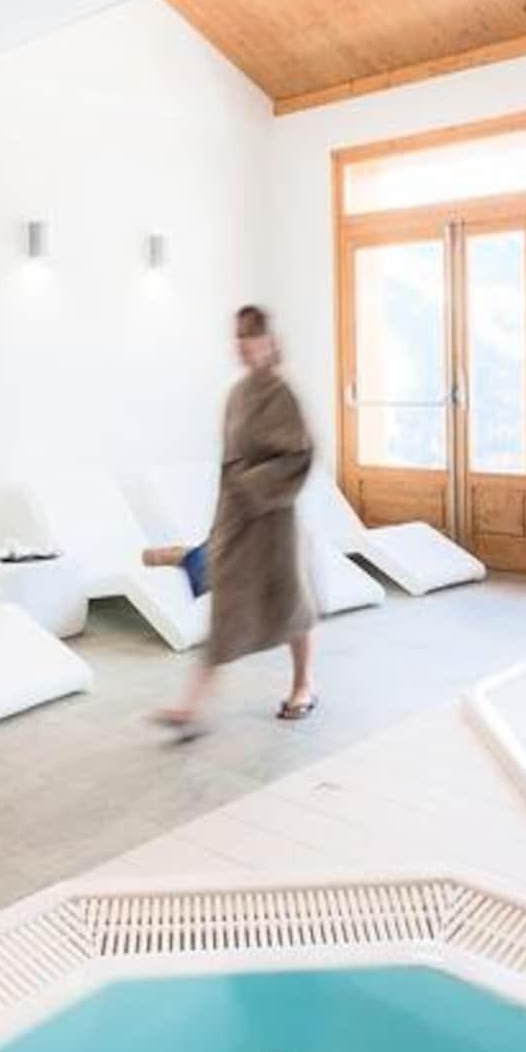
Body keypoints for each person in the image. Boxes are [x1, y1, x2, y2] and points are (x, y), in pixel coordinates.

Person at [156, 305, 318, 737]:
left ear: (270, 342)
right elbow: (228, 465)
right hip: (237, 516)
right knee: (226, 601)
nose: (243, 344)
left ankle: (303, 685)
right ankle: (191, 707)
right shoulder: (236, 395)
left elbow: (300, 455)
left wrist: (253, 484)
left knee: (289, 600)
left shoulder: (283, 395)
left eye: (251, 335)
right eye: (238, 335)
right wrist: (222, 521)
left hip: (274, 518)